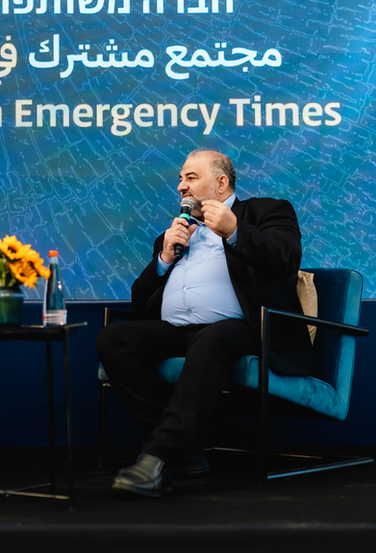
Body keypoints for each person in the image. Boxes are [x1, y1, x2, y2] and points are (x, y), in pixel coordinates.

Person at [96, 149, 312, 497]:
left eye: (191, 178)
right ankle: (185, 452)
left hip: (242, 328)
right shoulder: (175, 233)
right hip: (177, 332)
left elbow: (286, 257)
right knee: (114, 337)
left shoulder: (266, 211)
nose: (181, 186)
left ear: (221, 182)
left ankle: (157, 458)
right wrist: (163, 258)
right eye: (180, 179)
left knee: (212, 338)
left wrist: (235, 231)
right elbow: (140, 302)